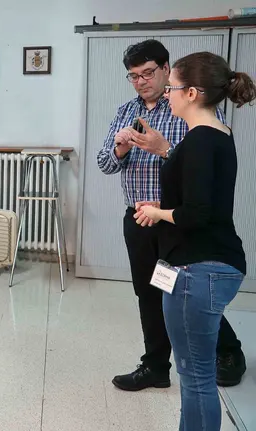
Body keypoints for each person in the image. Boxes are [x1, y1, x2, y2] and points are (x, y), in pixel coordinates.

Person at [97, 39, 246, 392]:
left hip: (175, 223)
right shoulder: (124, 112)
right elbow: (104, 164)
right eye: (133, 76)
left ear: (167, 69)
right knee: (149, 294)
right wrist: (119, 148)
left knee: (184, 293)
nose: (141, 81)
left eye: (148, 73)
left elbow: (205, 164)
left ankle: (228, 351)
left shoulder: (192, 107)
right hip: (139, 220)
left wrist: (163, 149)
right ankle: (155, 366)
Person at [133, 51, 255, 431]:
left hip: (196, 269)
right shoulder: (213, 134)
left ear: (192, 93)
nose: (165, 94)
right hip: (205, 264)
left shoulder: (201, 138)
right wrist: (164, 151)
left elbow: (197, 214)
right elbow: (199, 190)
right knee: (195, 375)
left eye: (171, 88)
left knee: (196, 378)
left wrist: (157, 213)